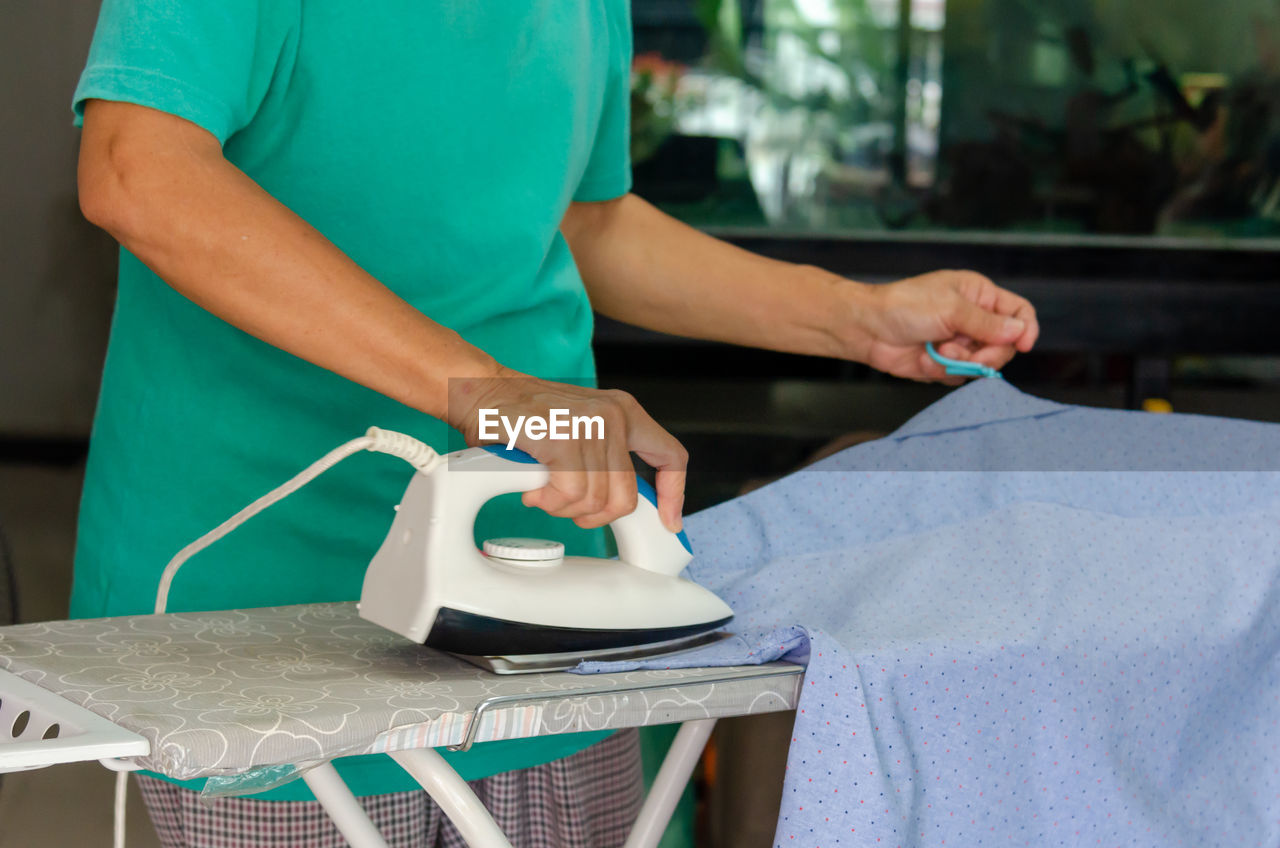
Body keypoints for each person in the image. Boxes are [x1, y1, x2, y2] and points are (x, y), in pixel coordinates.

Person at [70, 1, 1040, 846]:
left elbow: (585, 222)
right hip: (256, 586)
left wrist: (851, 316)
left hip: (540, 576)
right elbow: (138, 170)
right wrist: (488, 390)